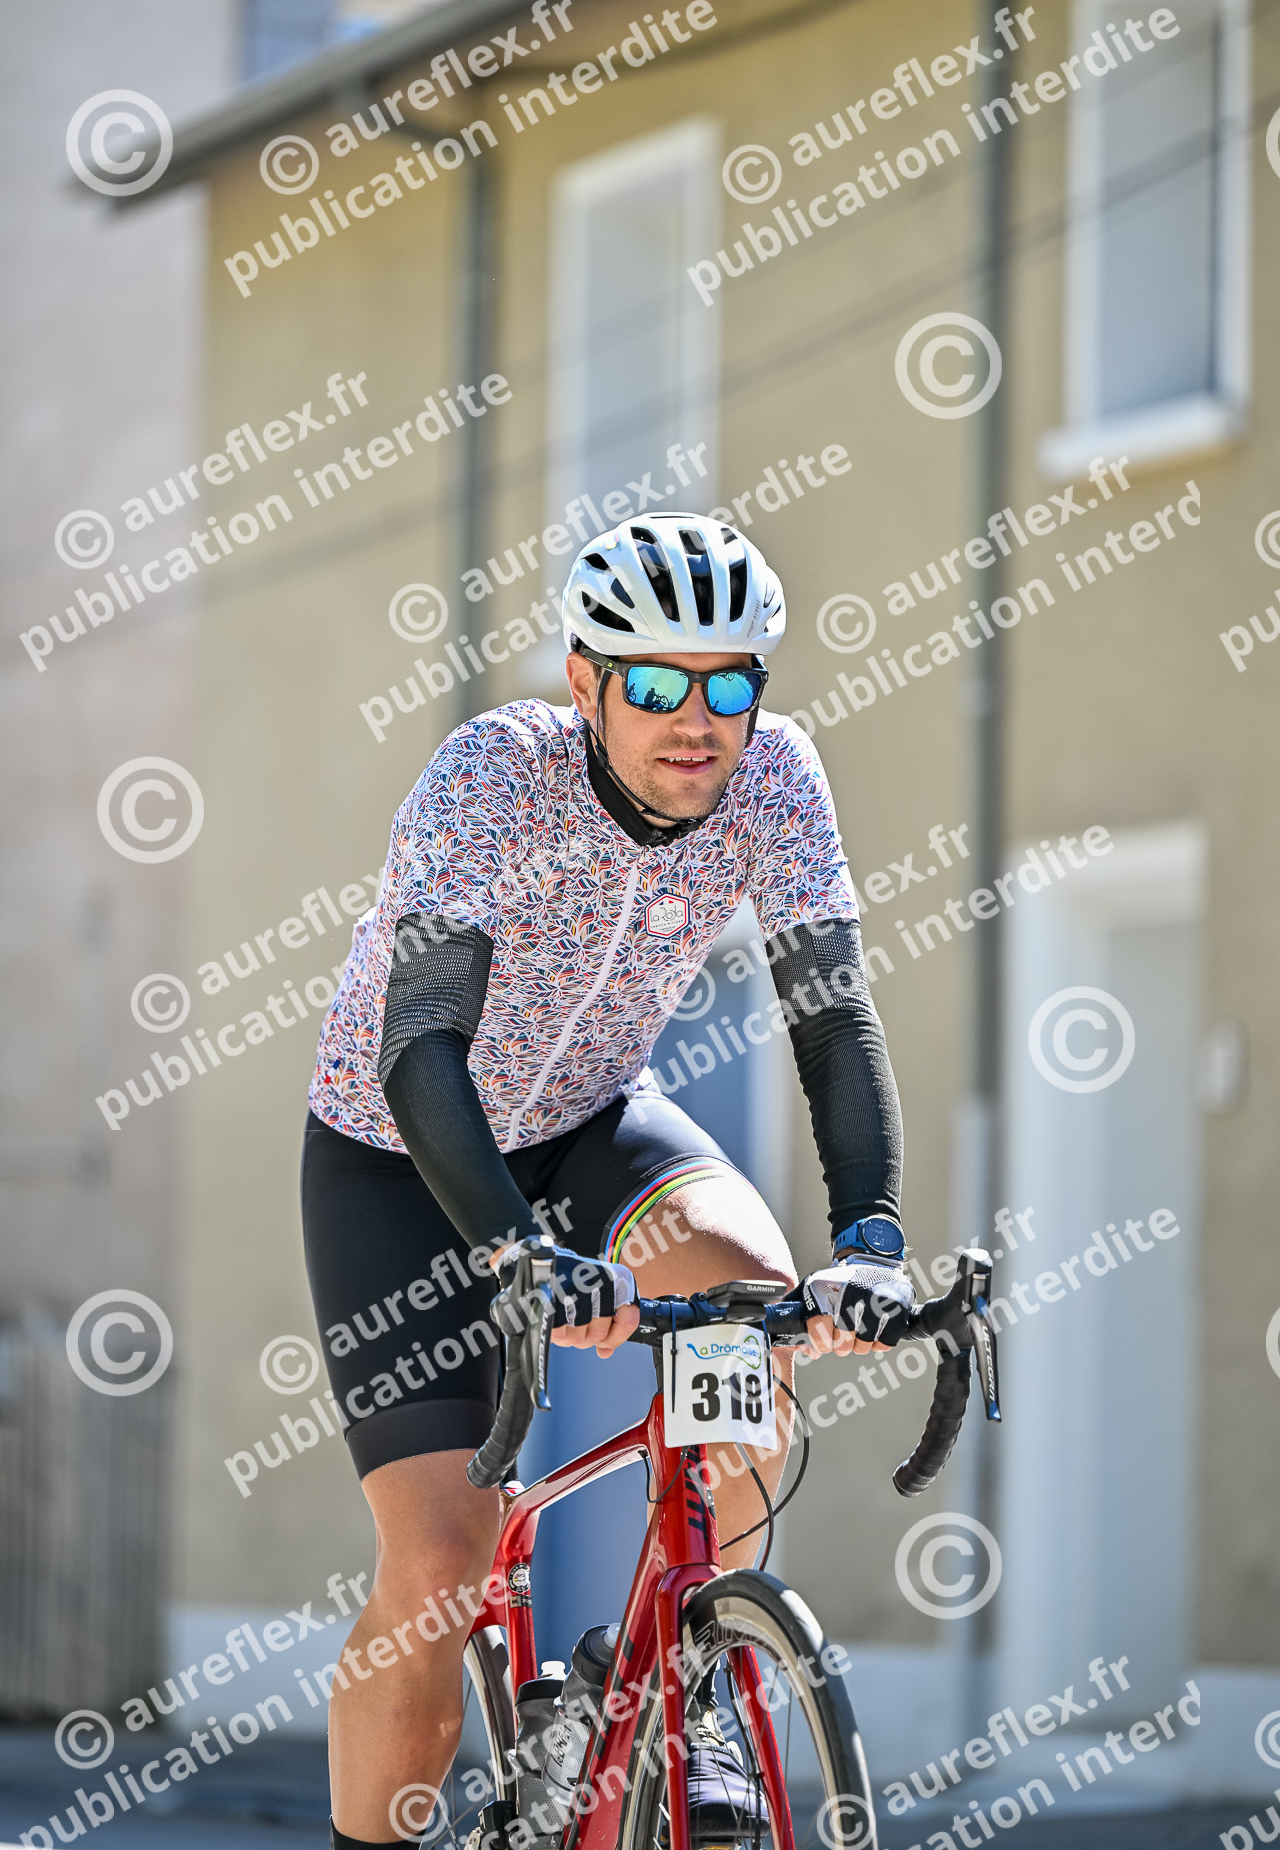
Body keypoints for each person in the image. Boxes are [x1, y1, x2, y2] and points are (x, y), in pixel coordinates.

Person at [302, 514, 912, 1850]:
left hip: (591, 1122)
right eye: (653, 683)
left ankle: (697, 1684)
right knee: (441, 1565)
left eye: (727, 684)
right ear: (586, 682)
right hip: (403, 1152)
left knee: (750, 1294)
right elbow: (422, 1046)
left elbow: (831, 1021)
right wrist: (515, 1251)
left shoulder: (776, 778)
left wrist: (870, 1236)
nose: (695, 721)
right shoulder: (493, 775)